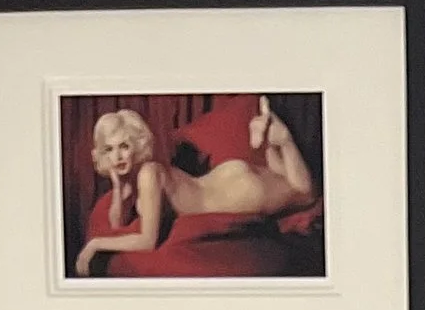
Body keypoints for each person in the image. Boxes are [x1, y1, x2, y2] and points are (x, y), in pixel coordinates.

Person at [72, 96, 316, 274]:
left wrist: (95, 245)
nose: (118, 157)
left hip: (238, 194)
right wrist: (117, 185)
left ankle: (282, 139)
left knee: (305, 194)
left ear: (137, 145)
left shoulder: (147, 174)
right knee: (285, 179)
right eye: (110, 150)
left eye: (124, 146)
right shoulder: (137, 178)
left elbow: (147, 241)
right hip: (224, 178)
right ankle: (265, 140)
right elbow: (117, 224)